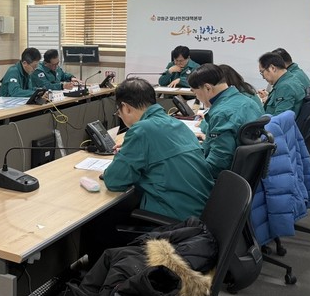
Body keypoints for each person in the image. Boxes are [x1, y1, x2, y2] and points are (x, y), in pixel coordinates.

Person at [103, 78, 213, 221]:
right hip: (201, 210)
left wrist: (124, 155)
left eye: (119, 112)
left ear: (126, 107)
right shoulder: (176, 123)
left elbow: (114, 181)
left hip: (177, 221)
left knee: (101, 223)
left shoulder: (141, 130)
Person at [187, 64, 264, 179]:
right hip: (246, 176)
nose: (197, 97)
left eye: (195, 92)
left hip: (223, 179)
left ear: (207, 88)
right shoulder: (248, 101)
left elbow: (218, 162)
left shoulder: (221, 114)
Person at [258, 52, 305, 116]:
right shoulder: (289, 80)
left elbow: (280, 118)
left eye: (262, 72)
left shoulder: (286, 87)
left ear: (272, 68)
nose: (263, 77)